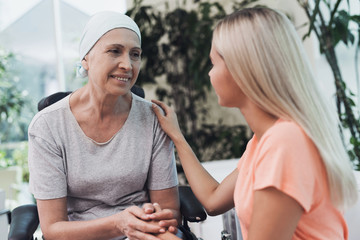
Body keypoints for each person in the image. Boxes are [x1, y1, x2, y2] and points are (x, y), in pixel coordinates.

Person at [152, 7, 359, 240]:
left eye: (214, 63)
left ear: (241, 69)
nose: (210, 74)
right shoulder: (264, 141)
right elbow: (212, 200)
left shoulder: (286, 142)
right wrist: (177, 137)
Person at [28, 11, 182, 240]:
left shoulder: (152, 119)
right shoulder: (47, 126)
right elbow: (53, 229)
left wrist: (148, 220)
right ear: (86, 59)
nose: (127, 65)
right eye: (114, 51)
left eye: (135, 54)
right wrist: (119, 224)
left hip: (142, 233)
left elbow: (170, 213)